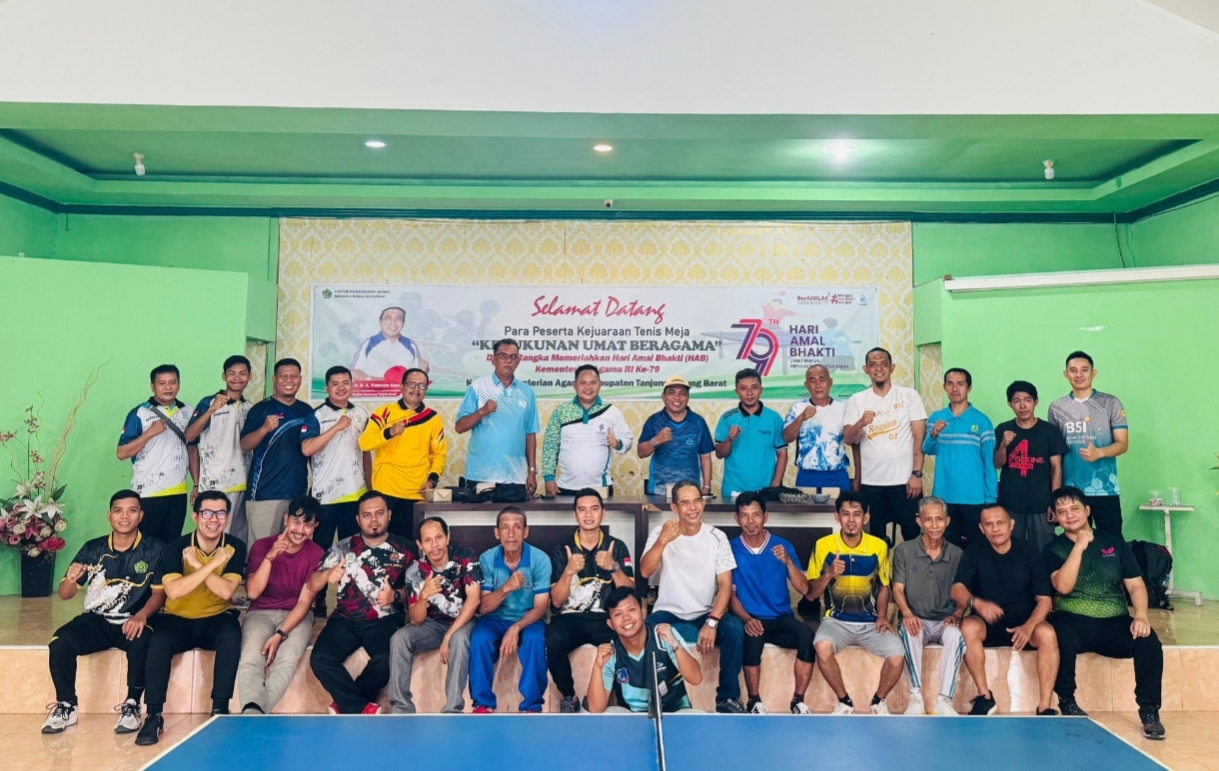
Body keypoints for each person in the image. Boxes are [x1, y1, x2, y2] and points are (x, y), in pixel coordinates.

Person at [1044, 486, 1164, 738]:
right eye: (1062, 511)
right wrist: (1078, 547)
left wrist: (1141, 615)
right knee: (1059, 633)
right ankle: (1067, 700)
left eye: (1075, 508)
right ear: (1055, 517)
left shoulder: (1113, 541)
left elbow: (1135, 585)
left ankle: (1149, 711)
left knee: (1149, 641)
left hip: (1114, 620)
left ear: (1087, 510)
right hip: (1072, 618)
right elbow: (1062, 587)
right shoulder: (1053, 548)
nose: (1069, 515)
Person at [42, 490, 166, 735]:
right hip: (97, 620)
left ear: (141, 516)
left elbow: (159, 594)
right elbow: (65, 594)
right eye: (118, 511)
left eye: (132, 510)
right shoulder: (93, 548)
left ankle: (132, 704)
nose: (125, 516)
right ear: (109, 515)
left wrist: (141, 616)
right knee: (60, 642)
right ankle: (67, 704)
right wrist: (70, 579)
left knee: (144, 642)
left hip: (132, 619)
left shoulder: (156, 549)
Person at [137, 491, 247, 745]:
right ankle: (153, 715)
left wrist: (198, 565)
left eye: (220, 513)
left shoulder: (235, 547)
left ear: (227, 517)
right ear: (195, 517)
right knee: (159, 642)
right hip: (179, 618)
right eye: (207, 513)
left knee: (232, 636)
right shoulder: (176, 547)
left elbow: (226, 591)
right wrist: (211, 565)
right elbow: (174, 591)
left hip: (217, 616)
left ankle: (219, 710)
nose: (214, 519)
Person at [641, 479, 745, 713]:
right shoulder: (660, 533)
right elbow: (645, 571)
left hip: (703, 613)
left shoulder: (717, 537)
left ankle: (727, 698)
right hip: (668, 612)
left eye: (697, 501)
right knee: (644, 631)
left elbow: (725, 586)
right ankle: (656, 696)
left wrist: (712, 621)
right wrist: (663, 540)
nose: (693, 508)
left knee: (734, 629)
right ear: (674, 508)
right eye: (685, 503)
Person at [308, 491, 413, 715]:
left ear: (389, 515)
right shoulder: (343, 547)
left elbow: (416, 592)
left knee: (386, 660)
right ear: (358, 519)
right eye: (367, 515)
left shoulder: (406, 549)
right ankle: (360, 707)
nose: (373, 519)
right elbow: (312, 583)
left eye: (379, 513)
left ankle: (347, 704)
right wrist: (327, 575)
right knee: (320, 659)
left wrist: (395, 596)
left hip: (385, 620)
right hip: (344, 620)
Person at [950, 504, 1059, 716]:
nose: (995, 528)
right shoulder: (974, 552)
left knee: (1047, 633)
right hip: (987, 625)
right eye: (988, 524)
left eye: (1000, 523)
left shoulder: (1029, 552)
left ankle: (1044, 706)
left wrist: (1029, 627)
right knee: (968, 627)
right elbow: (957, 588)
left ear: (1011, 524)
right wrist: (977, 603)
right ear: (981, 528)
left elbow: (1045, 600)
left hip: (1023, 626)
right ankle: (984, 697)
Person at [805, 491, 905, 714]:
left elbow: (884, 586)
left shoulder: (879, 546)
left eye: (857, 514)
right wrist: (829, 574)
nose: (851, 520)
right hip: (836, 622)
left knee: (897, 654)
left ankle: (878, 701)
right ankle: (844, 701)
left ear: (866, 518)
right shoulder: (822, 545)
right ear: (837, 517)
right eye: (845, 514)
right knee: (821, 646)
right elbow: (811, 594)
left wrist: (882, 615)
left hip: (870, 623)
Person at [546, 489, 635, 712]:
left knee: (628, 638)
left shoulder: (617, 546)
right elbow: (556, 602)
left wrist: (613, 567)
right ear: (575, 514)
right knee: (552, 639)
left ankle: (624, 700)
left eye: (594, 509)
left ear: (603, 513)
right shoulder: (562, 549)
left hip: (605, 618)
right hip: (570, 618)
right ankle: (570, 696)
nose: (588, 515)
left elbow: (630, 593)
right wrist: (568, 572)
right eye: (582, 510)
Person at [237, 496, 325, 715]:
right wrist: (269, 558)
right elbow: (252, 592)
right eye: (296, 522)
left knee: (286, 662)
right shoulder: (262, 546)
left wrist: (280, 634)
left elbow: (304, 602)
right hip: (259, 613)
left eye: (307, 525)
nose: (300, 530)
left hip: (296, 616)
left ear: (315, 526)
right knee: (250, 660)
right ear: (286, 519)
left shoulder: (316, 554)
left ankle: (253, 714)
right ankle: (254, 714)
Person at [728, 492, 814, 715]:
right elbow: (729, 594)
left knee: (807, 636)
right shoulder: (730, 549)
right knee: (751, 639)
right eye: (744, 516)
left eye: (756, 515)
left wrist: (788, 562)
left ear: (765, 516)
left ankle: (798, 701)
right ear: (737, 519)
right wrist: (747, 619)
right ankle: (754, 701)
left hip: (781, 618)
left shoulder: (782, 545)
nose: (751, 521)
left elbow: (804, 589)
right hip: (752, 618)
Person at [388, 516, 481, 714]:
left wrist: (449, 635)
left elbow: (474, 600)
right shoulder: (415, 571)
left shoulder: (465, 556)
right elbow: (416, 619)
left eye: (439, 537)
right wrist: (423, 596)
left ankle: (453, 709)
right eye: (428, 540)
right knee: (399, 638)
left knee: (459, 639)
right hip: (433, 624)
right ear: (420, 545)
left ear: (448, 537)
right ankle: (401, 708)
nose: (435, 545)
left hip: (464, 621)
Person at [469, 506, 552, 713]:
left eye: (517, 527)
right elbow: (484, 607)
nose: (511, 534)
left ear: (526, 531)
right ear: (497, 533)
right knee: (479, 639)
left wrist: (516, 627)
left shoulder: (540, 559)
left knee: (535, 639)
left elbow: (541, 607)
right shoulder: (487, 559)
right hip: (494, 618)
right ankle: (482, 705)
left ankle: (531, 706)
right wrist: (506, 587)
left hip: (529, 617)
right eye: (505, 528)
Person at [843, 347, 927, 545]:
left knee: (912, 535)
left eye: (883, 364)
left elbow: (919, 438)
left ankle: (909, 567)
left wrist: (916, 474)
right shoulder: (857, 400)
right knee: (874, 538)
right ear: (866, 369)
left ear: (892, 367)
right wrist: (860, 423)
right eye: (873, 365)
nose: (878, 368)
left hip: (905, 482)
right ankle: (879, 567)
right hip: (871, 483)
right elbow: (848, 438)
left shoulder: (909, 396)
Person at [891, 496, 965, 716]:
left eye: (939, 519)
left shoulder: (957, 554)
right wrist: (907, 613)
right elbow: (897, 589)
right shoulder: (904, 551)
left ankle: (944, 700)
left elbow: (964, 593)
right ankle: (915, 698)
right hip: (916, 617)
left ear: (947, 521)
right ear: (919, 521)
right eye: (928, 519)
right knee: (910, 631)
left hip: (945, 619)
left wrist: (958, 613)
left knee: (955, 635)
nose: (934, 525)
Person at [309, 366, 372, 615]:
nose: (341, 387)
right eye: (335, 383)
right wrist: (336, 426)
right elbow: (307, 449)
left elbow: (365, 452)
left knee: (353, 550)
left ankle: (349, 598)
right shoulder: (317, 415)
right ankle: (319, 600)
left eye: (346, 382)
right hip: (325, 497)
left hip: (355, 494)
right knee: (322, 550)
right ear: (326, 388)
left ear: (352, 386)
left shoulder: (361, 414)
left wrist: (370, 488)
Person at [360, 367, 447, 544]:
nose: (416, 389)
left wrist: (432, 481)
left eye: (421, 386)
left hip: (416, 491)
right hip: (386, 488)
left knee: (411, 544)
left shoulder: (433, 418)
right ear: (402, 386)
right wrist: (389, 432)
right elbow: (364, 443)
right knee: (383, 543)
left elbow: (439, 454)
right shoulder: (384, 412)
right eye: (412, 384)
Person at [240, 358, 322, 542]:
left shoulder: (307, 411)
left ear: (300, 379)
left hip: (297, 494)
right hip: (265, 494)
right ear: (274, 379)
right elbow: (244, 444)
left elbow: (311, 450)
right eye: (283, 376)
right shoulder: (261, 409)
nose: (289, 380)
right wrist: (264, 429)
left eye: (294, 376)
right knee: (262, 550)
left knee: (292, 549)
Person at [586, 587, 703, 714]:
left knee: (697, 715)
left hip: (675, 711)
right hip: (632, 716)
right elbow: (595, 709)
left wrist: (675, 645)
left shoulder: (665, 635)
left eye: (631, 610)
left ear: (643, 612)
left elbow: (696, 678)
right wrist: (597, 666)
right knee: (608, 713)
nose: (626, 617)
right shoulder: (611, 652)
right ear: (611, 624)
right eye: (618, 614)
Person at [1048, 352, 1129, 534]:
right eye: (1073, 370)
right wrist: (1055, 493)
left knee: (1112, 543)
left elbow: (1123, 444)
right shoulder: (1056, 408)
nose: (1079, 374)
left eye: (1084, 370)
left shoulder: (1110, 403)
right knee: (1077, 543)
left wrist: (1099, 453)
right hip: (1071, 491)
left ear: (1094, 373)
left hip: (1105, 489)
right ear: (1066, 374)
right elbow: (1054, 455)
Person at [117, 364, 194, 544]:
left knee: (171, 545)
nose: (168, 387)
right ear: (152, 386)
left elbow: (192, 448)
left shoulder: (188, 411)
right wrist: (149, 433)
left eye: (172, 382)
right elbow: (121, 453)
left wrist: (197, 484)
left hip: (178, 493)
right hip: (148, 493)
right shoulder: (140, 412)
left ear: (179, 384)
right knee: (145, 545)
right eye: (162, 383)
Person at [922, 368, 997, 549]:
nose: (955, 388)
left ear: (969, 388)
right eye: (950, 383)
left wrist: (991, 498)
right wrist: (933, 434)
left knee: (977, 547)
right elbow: (927, 449)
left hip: (975, 497)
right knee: (947, 547)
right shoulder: (936, 418)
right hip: (944, 496)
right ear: (944, 387)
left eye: (960, 384)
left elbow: (989, 462)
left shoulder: (982, 421)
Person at [455, 338, 539, 495]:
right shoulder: (478, 386)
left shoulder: (527, 391)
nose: (508, 360)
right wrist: (482, 411)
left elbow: (530, 433)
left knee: (513, 513)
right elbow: (459, 427)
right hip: (481, 475)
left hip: (515, 476)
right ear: (493, 359)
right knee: (478, 512)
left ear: (518, 361)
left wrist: (532, 471)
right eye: (503, 355)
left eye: (513, 356)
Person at [186, 355, 254, 544]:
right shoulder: (209, 403)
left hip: (244, 484)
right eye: (232, 373)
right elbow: (189, 437)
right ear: (224, 376)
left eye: (242, 373)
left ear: (250, 376)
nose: (237, 377)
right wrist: (212, 409)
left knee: (239, 538)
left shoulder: (250, 407)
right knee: (213, 536)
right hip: (215, 485)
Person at [994, 381, 1067, 551]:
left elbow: (1056, 468)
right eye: (1016, 401)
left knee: (1043, 550)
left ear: (1036, 402)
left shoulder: (1050, 431)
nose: (1022, 406)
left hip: (1041, 504)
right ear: (1010, 404)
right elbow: (997, 464)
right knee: (1011, 550)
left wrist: (1055, 502)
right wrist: (1003, 445)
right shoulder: (1003, 429)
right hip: (1010, 503)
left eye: (1027, 400)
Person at [541, 364, 634, 496]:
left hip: (600, 487)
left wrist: (617, 443)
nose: (588, 387)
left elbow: (628, 441)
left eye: (593, 383)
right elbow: (550, 445)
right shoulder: (561, 411)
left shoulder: (611, 411)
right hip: (565, 487)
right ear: (574, 385)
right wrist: (549, 478)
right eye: (583, 383)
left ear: (600, 384)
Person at [714, 368, 788, 499]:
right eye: (743, 388)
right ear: (736, 391)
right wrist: (729, 439)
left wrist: (775, 486)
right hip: (732, 490)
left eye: (754, 387)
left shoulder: (774, 418)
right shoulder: (727, 418)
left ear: (761, 390)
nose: (749, 393)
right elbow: (719, 454)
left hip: (765, 491)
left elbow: (782, 453)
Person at [638, 376, 714, 497]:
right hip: (659, 490)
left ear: (688, 398)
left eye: (682, 393)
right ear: (663, 397)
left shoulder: (698, 421)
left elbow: (705, 456)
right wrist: (656, 440)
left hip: (690, 492)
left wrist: (706, 486)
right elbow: (641, 453)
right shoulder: (654, 420)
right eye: (671, 393)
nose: (677, 397)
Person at [783, 364, 851, 493]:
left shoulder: (844, 408)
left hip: (838, 474)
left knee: (842, 506)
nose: (818, 385)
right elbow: (787, 438)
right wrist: (801, 418)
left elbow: (853, 440)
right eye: (812, 381)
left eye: (822, 379)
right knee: (806, 507)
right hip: (807, 475)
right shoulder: (798, 408)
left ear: (830, 382)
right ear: (806, 385)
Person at [352, 305, 430, 381]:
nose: (393, 322)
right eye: (388, 318)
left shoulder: (410, 344)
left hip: (402, 390)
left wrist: (424, 371)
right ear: (380, 322)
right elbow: (353, 373)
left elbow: (415, 376)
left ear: (403, 324)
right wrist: (380, 381)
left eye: (398, 318)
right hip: (373, 390)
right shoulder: (368, 343)